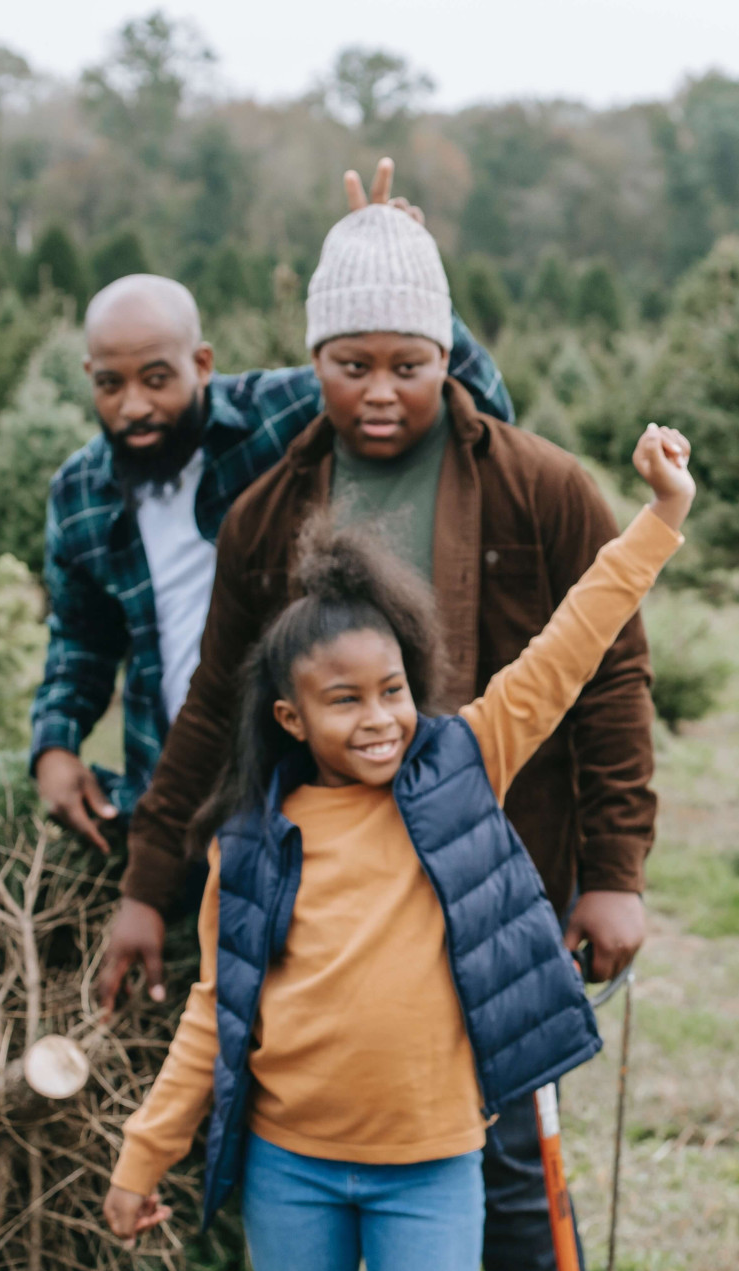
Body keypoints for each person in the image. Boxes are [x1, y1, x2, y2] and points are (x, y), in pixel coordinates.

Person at [107, 193, 660, 1271]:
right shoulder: (270, 512)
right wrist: (147, 878)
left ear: (448, 354)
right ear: (314, 359)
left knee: (506, 1158)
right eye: (350, 363)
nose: (379, 390)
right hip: (333, 873)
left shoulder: (538, 485)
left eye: (409, 363)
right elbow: (218, 703)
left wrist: (615, 870)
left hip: (505, 872)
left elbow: (602, 673)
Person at [30, 161, 510, 860]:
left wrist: (403, 288)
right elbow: (79, 639)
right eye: (111, 385)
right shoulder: (80, 492)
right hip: (175, 780)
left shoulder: (280, 413)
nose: (134, 405)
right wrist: (54, 743)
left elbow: (475, 412)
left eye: (157, 379)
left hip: (305, 778)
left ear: (201, 362)